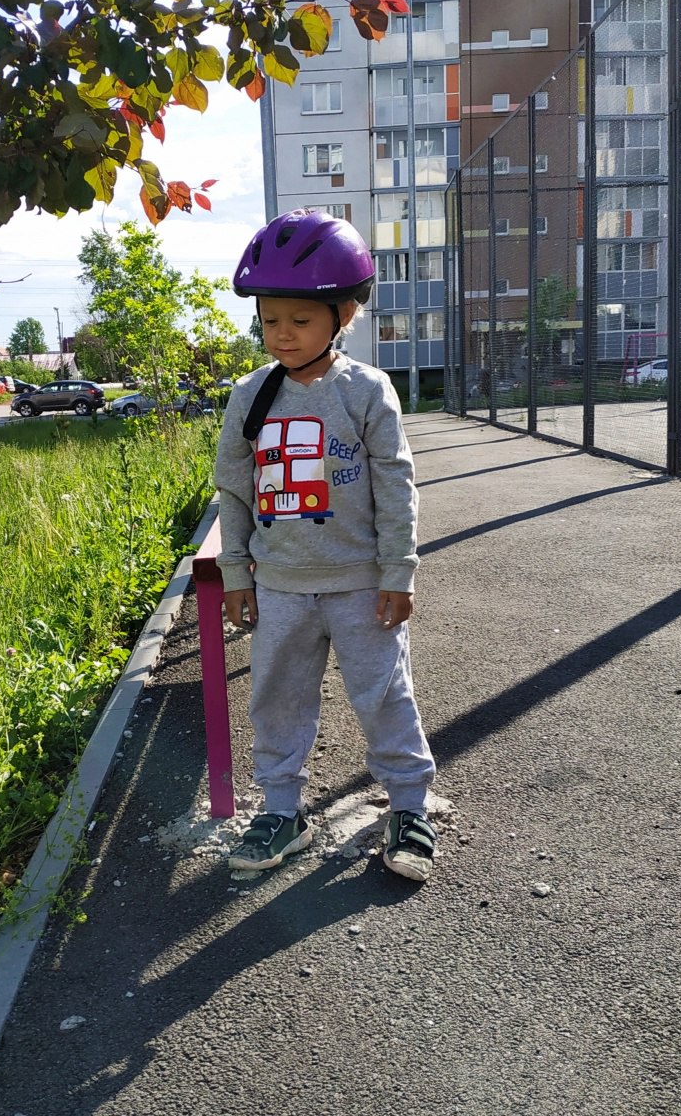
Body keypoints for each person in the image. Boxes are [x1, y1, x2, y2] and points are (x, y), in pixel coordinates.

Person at [214, 209, 438, 882]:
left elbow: (396, 486)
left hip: (360, 583)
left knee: (383, 693)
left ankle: (409, 805)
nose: (281, 334)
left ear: (344, 314)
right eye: (270, 319)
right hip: (281, 584)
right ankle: (283, 811)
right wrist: (235, 575)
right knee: (278, 697)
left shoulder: (366, 391)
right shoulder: (249, 396)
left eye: (300, 321)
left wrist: (400, 570)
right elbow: (233, 490)